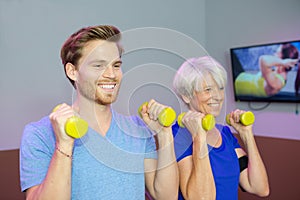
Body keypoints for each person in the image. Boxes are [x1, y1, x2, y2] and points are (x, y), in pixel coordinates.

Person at [20, 25, 179, 199]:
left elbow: (165, 196)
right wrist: (64, 145)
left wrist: (164, 134)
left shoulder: (137, 129)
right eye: (98, 65)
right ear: (72, 71)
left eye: (116, 65)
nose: (111, 74)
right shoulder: (40, 134)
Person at [172, 56, 269, 200]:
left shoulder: (225, 133)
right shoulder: (178, 135)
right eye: (208, 89)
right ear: (186, 95)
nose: (217, 96)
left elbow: (259, 188)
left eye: (221, 88)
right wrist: (199, 137)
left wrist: (247, 134)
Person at [235, 43, 299, 97]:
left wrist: (283, 62)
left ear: (283, 58)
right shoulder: (275, 72)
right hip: (239, 76)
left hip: (234, 85)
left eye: (277, 53)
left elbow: (263, 59)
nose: (274, 55)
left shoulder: (278, 83)